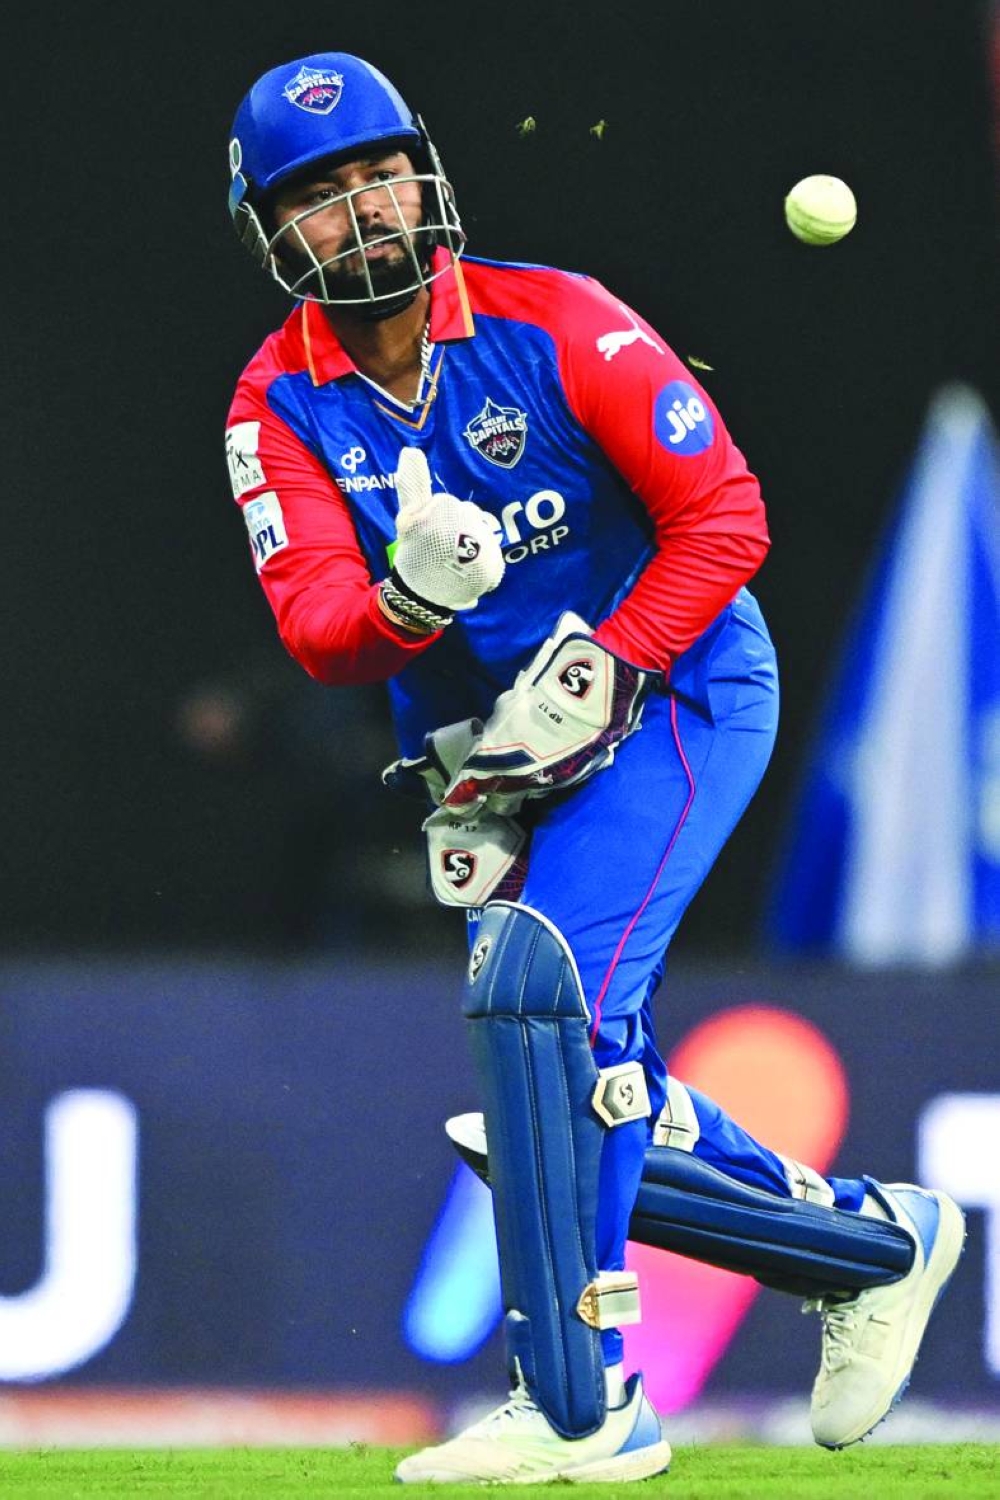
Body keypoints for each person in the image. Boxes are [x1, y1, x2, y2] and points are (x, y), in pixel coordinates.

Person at [223, 52, 964, 1484]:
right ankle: (875, 1246)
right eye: (319, 194)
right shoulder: (276, 402)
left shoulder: (554, 317)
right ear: (273, 232)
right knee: (560, 1084)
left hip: (680, 686)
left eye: (377, 170)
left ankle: (581, 1406)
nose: (363, 209)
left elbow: (725, 517)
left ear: (425, 172)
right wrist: (412, 604)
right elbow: (323, 633)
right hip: (501, 748)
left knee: (538, 1007)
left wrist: (607, 666)